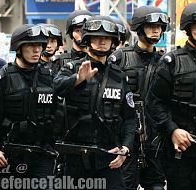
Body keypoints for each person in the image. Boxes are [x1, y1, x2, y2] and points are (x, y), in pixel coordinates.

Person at [145, 2, 196, 190]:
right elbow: (154, 103)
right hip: (181, 150)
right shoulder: (171, 62)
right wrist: (172, 130)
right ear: (188, 29)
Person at [54, 15, 136, 190]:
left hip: (108, 158)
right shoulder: (72, 68)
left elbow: (130, 118)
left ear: (113, 42)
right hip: (75, 158)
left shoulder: (119, 76)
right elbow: (57, 88)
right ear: (87, 40)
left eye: (106, 38)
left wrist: (125, 149)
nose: (102, 42)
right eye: (97, 37)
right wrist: (77, 80)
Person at [0, 24, 57, 190]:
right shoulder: (2, 78)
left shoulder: (48, 76)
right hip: (9, 154)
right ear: (19, 48)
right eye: (31, 45)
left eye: (39, 46)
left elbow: (57, 112)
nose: (37, 50)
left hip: (40, 152)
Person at [109, 5, 168, 190]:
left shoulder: (165, 61)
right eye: (151, 26)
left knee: (157, 185)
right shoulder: (119, 58)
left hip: (155, 138)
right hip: (126, 137)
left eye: (159, 26)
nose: (156, 30)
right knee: (126, 184)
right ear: (139, 28)